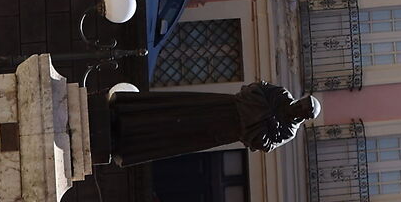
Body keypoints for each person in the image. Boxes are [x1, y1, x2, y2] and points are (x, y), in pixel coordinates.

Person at [108, 80, 322, 166]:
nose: (299, 109)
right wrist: (263, 118)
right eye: (302, 104)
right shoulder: (281, 95)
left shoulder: (288, 131)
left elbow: (260, 143)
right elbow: (252, 90)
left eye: (304, 112)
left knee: (175, 134)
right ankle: (127, 114)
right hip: (219, 106)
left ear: (305, 118)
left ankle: (128, 140)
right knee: (173, 110)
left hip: (223, 131)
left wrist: (258, 116)